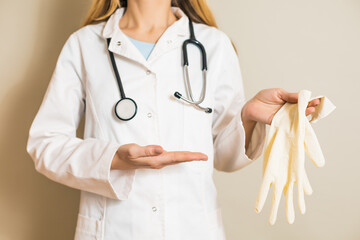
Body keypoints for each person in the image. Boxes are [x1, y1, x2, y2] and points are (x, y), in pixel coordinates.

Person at [26, 0, 321, 239]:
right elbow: (45, 145)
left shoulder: (213, 45)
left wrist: (247, 117)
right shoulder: (84, 44)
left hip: (192, 229)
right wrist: (114, 158)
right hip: (114, 229)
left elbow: (224, 157)